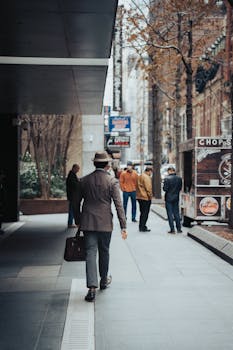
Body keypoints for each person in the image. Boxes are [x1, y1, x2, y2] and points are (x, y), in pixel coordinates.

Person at [74, 151, 127, 302]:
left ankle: (91, 288)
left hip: (88, 222)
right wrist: (123, 225)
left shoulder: (84, 180)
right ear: (107, 165)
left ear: (94, 163)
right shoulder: (112, 181)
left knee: (90, 253)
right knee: (104, 251)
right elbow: (118, 205)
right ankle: (103, 280)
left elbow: (76, 202)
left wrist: (78, 220)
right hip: (105, 223)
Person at [163, 166, 182, 234]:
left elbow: (165, 189)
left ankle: (172, 229)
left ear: (169, 171)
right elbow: (180, 188)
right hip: (176, 197)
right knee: (176, 213)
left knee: (170, 214)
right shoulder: (179, 178)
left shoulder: (167, 179)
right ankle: (179, 229)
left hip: (168, 198)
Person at [136, 166, 153, 232]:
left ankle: (141, 226)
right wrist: (150, 196)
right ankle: (143, 227)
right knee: (145, 213)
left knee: (142, 212)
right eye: (151, 172)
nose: (151, 174)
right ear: (149, 171)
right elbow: (148, 188)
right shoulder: (146, 177)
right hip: (145, 197)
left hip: (139, 196)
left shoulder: (140, 176)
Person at [66, 163, 80, 228]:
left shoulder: (72, 175)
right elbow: (74, 185)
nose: (78, 170)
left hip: (72, 195)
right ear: (74, 168)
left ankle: (72, 222)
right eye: (77, 169)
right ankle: (70, 223)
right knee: (72, 209)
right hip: (72, 196)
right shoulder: (71, 175)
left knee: (72, 209)